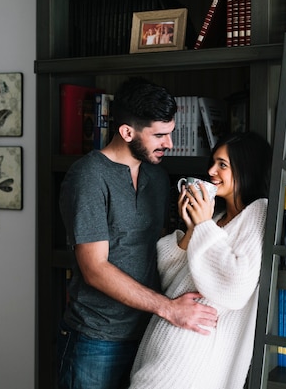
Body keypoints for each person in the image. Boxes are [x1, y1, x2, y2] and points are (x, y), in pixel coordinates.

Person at [57, 77, 218, 389]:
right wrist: (168, 308)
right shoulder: (87, 177)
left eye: (170, 133)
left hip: (149, 334)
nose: (169, 144)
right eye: (159, 135)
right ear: (127, 132)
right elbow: (95, 269)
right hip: (96, 337)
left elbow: (156, 248)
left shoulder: (156, 177)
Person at [129, 131, 273, 389]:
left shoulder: (258, 212)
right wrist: (193, 228)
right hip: (167, 343)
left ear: (246, 169)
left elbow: (236, 287)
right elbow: (171, 279)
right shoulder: (217, 217)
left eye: (222, 165)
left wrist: (204, 225)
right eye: (213, 162)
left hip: (192, 357)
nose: (211, 171)